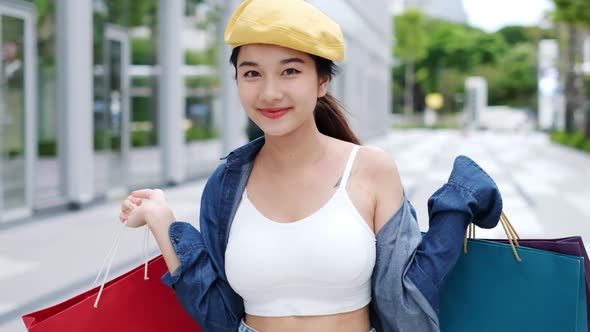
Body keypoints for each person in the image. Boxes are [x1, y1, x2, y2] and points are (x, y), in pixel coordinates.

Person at [118, 0, 503, 331]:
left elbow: (405, 297)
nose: (269, 92)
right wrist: (161, 220)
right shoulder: (228, 183)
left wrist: (455, 207)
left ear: (322, 82)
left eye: (290, 71)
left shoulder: (370, 169)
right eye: (252, 72)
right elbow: (217, 313)